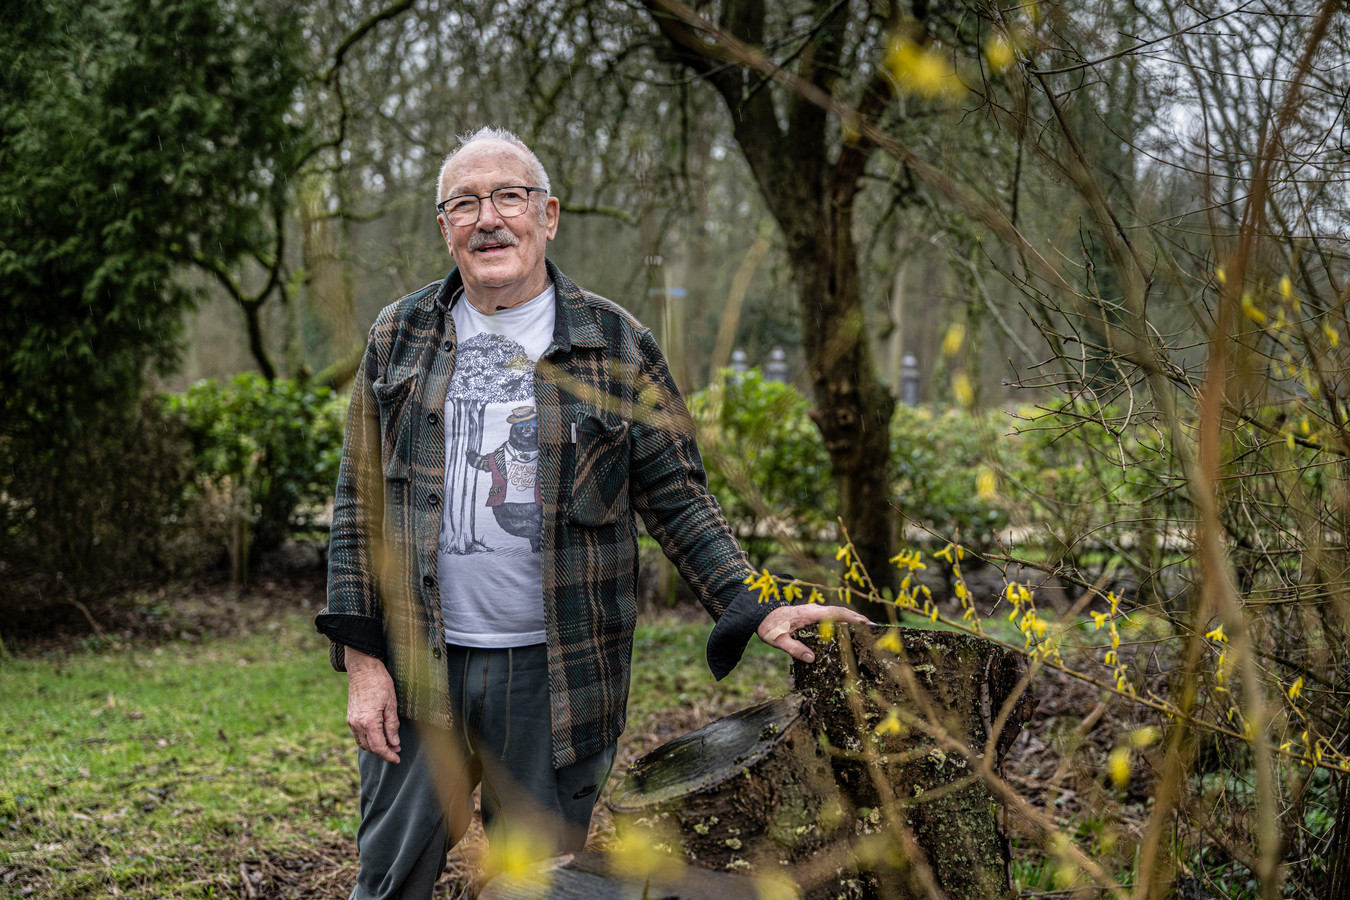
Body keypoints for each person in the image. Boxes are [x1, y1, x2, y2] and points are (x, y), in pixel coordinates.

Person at [316, 126, 867, 899]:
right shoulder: (398, 334)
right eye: (465, 203)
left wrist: (755, 606)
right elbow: (356, 505)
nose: (488, 218)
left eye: (509, 197)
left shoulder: (615, 342)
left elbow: (676, 496)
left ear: (549, 215)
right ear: (445, 227)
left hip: (559, 676)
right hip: (417, 670)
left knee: (536, 888)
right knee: (387, 883)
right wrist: (363, 661)